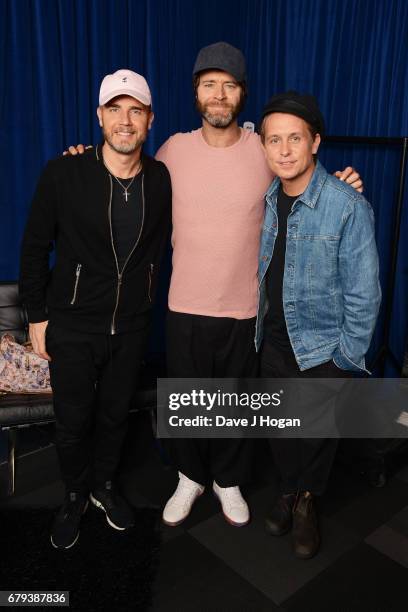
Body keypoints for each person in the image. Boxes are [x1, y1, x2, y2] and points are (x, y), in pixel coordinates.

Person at [65, 42, 363, 528]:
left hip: (245, 308)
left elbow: (301, 176)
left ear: (242, 94)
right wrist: (80, 157)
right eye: (209, 85)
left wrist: (340, 185)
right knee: (186, 396)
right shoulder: (172, 151)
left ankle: (228, 480)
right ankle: (189, 477)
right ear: (196, 94)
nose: (218, 94)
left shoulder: (262, 149)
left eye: (228, 85)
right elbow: (122, 172)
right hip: (184, 304)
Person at [19, 69, 172, 549]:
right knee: (72, 420)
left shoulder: (162, 178)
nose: (125, 121)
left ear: (149, 120)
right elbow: (33, 247)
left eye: (135, 111)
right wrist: (37, 316)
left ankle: (104, 486)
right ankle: (74, 494)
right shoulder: (65, 172)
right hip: (72, 325)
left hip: (130, 328)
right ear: (100, 116)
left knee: (113, 416)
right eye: (115, 109)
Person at [255, 91, 381, 558]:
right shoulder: (268, 197)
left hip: (323, 348)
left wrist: (346, 357)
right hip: (272, 341)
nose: (284, 150)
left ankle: (308, 501)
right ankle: (289, 490)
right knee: (281, 427)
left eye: (294, 139)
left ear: (315, 143)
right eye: (274, 140)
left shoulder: (347, 204)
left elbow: (365, 293)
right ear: (263, 146)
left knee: (316, 434)